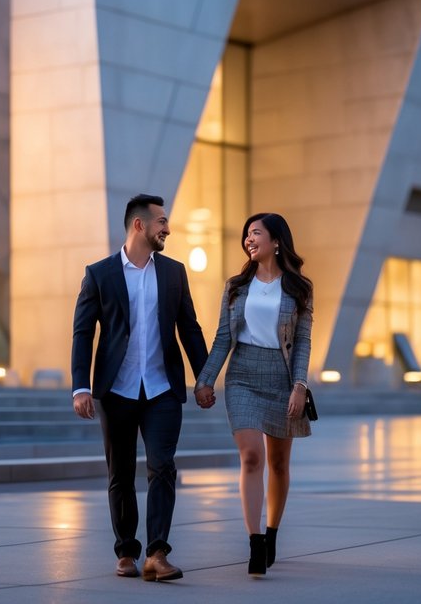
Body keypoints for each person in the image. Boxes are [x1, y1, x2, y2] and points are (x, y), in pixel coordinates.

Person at [71, 193, 211, 582]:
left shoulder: (173, 272)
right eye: (162, 222)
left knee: (163, 467)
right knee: (120, 473)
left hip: (163, 389)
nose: (168, 228)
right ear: (139, 225)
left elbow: (190, 329)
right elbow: (83, 333)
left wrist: (203, 377)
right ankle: (126, 551)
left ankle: (157, 553)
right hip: (116, 390)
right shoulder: (99, 274)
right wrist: (80, 386)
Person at [194, 211, 312, 577]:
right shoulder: (235, 287)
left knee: (278, 463)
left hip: (281, 378)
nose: (249, 239)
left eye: (256, 233)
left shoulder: (299, 288)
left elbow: (303, 342)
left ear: (276, 241)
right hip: (242, 376)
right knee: (251, 456)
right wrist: (205, 379)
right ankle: (255, 541)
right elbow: (222, 338)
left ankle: (273, 532)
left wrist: (299, 386)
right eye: (246, 234)